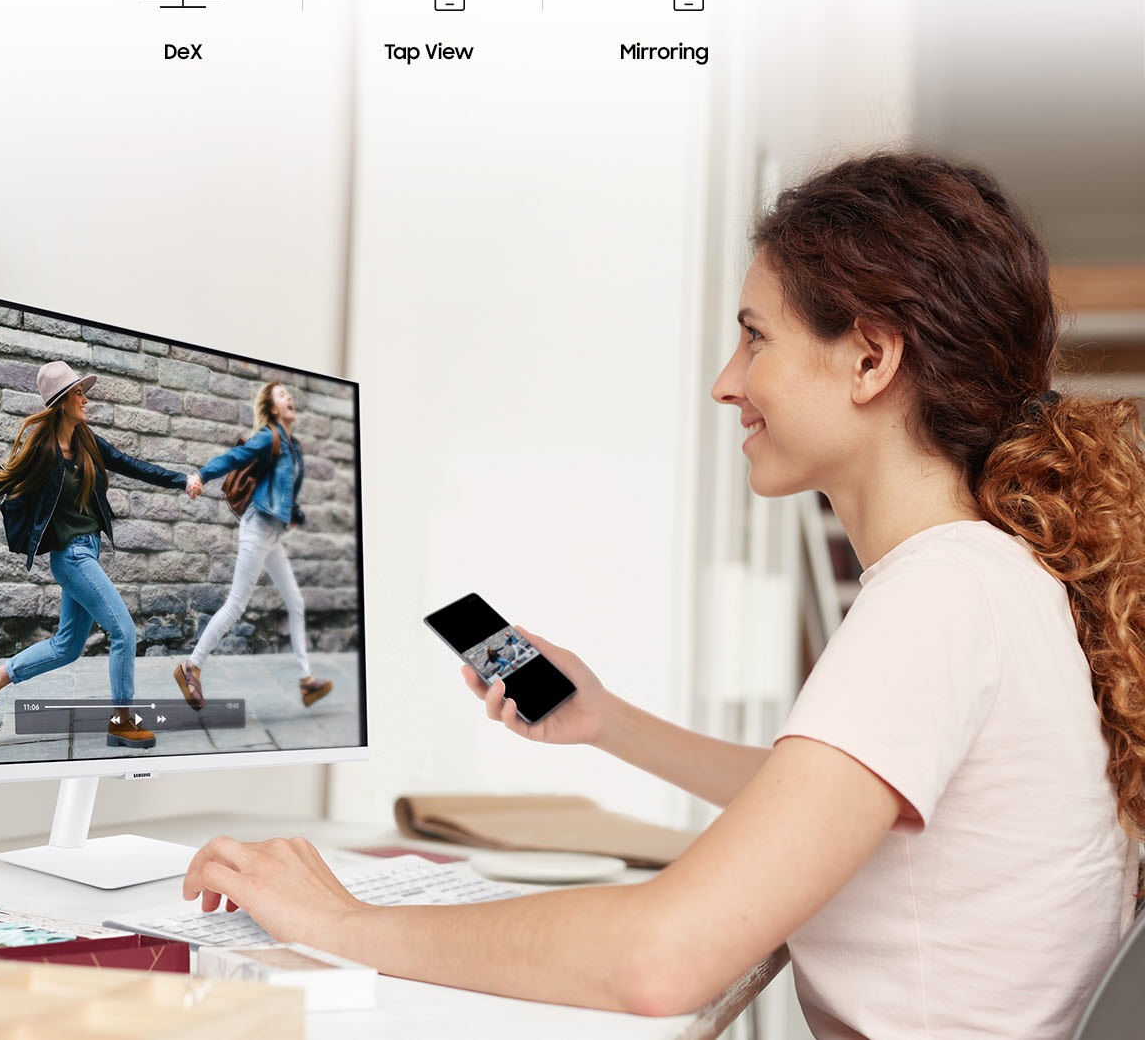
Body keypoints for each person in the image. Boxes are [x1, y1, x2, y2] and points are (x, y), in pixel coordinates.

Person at [177, 153, 1145, 1035]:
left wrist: (339, 920)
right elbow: (827, 803)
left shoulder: (938, 599)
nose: (729, 383)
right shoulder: (990, 579)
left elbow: (660, 959)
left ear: (870, 358)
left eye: (755, 338)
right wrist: (607, 720)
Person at [0, 360, 195, 750]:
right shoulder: (42, 452)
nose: (86, 399)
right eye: (79, 393)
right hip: (71, 557)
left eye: (84, 391)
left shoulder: (87, 441)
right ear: (62, 401)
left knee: (67, 647)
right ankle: (122, 722)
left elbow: (132, 465)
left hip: (88, 552)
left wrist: (181, 480)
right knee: (123, 630)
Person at [174, 381, 333, 710]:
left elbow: (285, 491)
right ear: (273, 409)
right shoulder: (269, 436)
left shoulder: (294, 446)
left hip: (273, 535)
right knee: (236, 606)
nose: (289, 398)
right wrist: (202, 475)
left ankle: (306, 681)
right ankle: (191, 666)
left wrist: (296, 514)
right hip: (257, 527)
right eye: (282, 396)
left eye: (289, 394)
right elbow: (235, 456)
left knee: (296, 602)